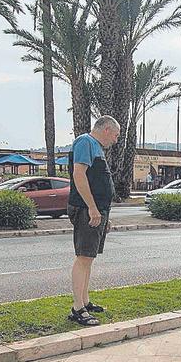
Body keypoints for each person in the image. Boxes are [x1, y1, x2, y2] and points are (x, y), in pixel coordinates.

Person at [67, 116, 121, 326]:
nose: (116, 140)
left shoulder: (96, 147)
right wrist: (91, 207)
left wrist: (104, 214)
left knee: (89, 258)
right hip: (86, 209)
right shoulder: (85, 142)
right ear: (106, 129)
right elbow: (79, 174)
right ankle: (77, 309)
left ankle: (85, 302)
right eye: (116, 135)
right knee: (83, 258)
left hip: (98, 211)